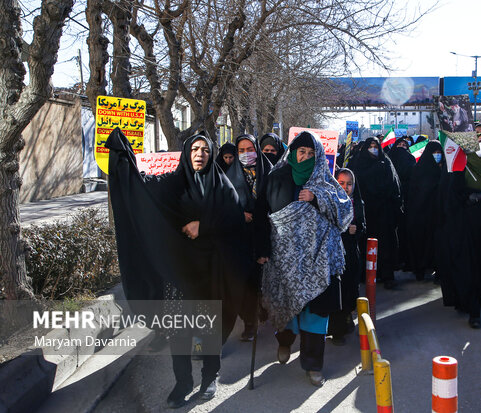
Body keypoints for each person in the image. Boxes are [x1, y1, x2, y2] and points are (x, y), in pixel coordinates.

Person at [105, 129, 247, 408]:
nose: (200, 155)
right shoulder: (173, 183)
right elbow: (144, 190)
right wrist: (124, 160)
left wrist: (203, 226)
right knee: (179, 331)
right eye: (194, 150)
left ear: (212, 154)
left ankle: (209, 378)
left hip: (210, 272)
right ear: (186, 153)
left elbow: (235, 225)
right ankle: (183, 381)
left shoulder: (222, 187)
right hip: (179, 274)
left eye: (205, 151)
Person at [255, 131, 353, 386]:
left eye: (311, 153)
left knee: (315, 313)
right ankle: (285, 343)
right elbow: (262, 214)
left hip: (317, 260)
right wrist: (262, 249)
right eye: (302, 152)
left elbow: (345, 212)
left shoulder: (325, 181)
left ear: (318, 155)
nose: (307, 157)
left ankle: (313, 365)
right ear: (293, 153)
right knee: (285, 306)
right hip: (284, 259)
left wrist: (317, 197)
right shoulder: (276, 177)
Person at [438, 131, 481, 328]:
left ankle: (480, 295)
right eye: (477, 140)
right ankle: (472, 308)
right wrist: (465, 198)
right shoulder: (460, 161)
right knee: (466, 262)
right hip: (463, 221)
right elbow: (449, 192)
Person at [225, 134, 272, 341]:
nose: (246, 154)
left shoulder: (269, 172)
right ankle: (248, 322)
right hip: (239, 238)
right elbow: (222, 205)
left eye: (249, 149)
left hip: (264, 234)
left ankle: (256, 318)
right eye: (241, 151)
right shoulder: (227, 177)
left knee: (259, 282)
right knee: (244, 284)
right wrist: (238, 213)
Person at [350, 137, 402, 289]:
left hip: (384, 212)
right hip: (367, 212)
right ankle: (365, 274)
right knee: (365, 243)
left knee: (385, 244)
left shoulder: (386, 163)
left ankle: (387, 275)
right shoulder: (359, 163)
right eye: (370, 146)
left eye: (376, 146)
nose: (373, 149)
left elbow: (395, 185)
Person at [329, 168, 366, 345]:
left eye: (349, 184)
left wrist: (356, 229)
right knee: (337, 291)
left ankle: (345, 318)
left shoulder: (357, 202)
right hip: (333, 254)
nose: (345, 187)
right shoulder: (329, 201)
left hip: (351, 254)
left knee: (350, 289)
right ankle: (336, 331)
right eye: (341, 183)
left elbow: (363, 226)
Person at [406, 140, 445, 280]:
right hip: (422, 213)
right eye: (434, 153)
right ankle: (420, 269)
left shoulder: (444, 169)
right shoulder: (419, 169)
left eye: (439, 153)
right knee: (422, 242)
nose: (437, 155)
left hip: (439, 213)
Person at [388, 137, 416, 271]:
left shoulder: (411, 160)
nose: (401, 146)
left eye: (404, 145)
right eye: (399, 144)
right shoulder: (388, 161)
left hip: (408, 200)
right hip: (391, 201)